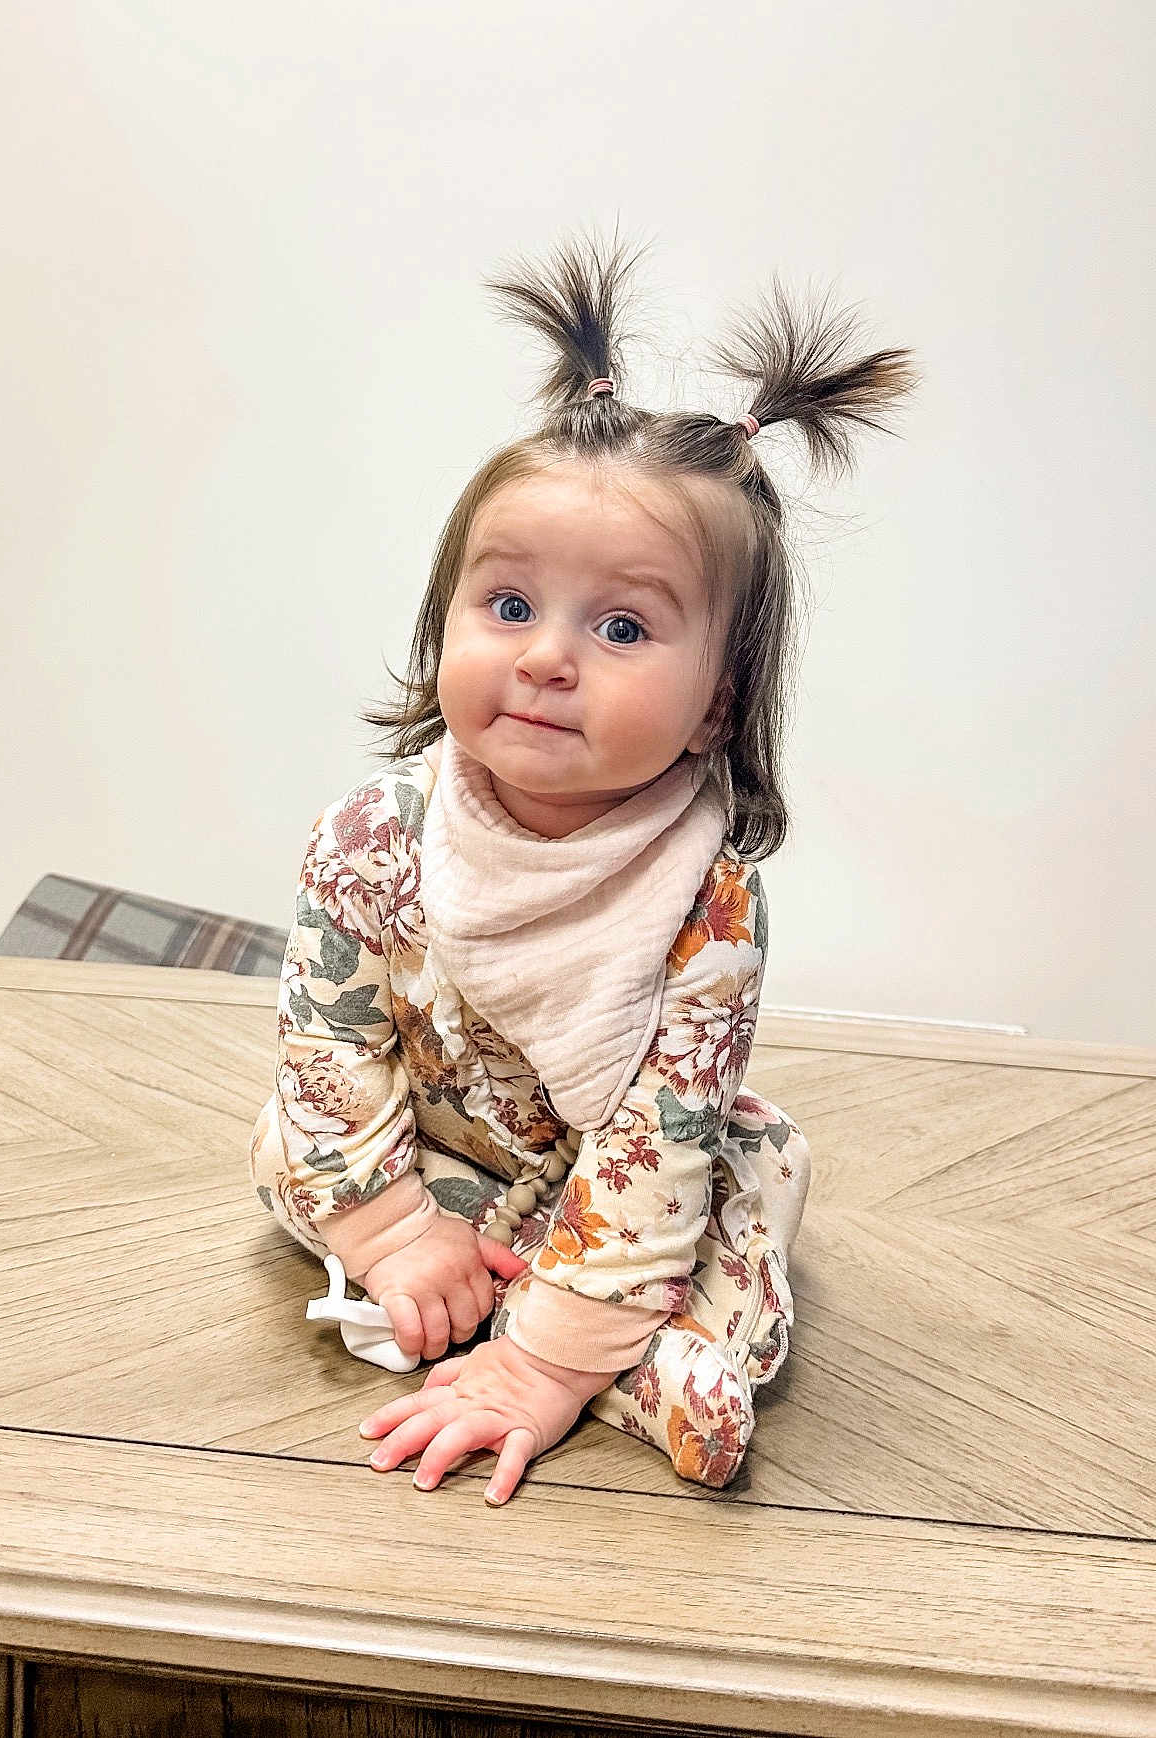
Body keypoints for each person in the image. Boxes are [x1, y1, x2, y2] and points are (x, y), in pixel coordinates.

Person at [249, 226, 918, 1504]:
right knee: (292, 1142)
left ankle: (610, 1356)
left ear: (718, 704)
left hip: (622, 1179)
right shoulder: (372, 839)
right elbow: (332, 1057)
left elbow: (657, 1150)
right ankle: (476, 1293)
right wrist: (394, 1233)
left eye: (621, 626)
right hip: (437, 1145)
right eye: (509, 606)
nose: (548, 656)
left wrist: (540, 1369)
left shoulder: (703, 903)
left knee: (752, 1178)